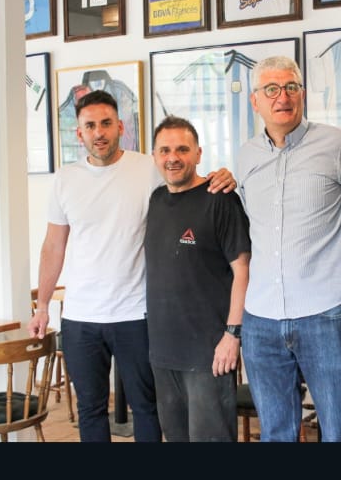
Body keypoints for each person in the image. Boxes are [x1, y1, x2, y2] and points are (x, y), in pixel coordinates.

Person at [28, 91, 235, 444]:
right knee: (91, 409)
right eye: (90, 126)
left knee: (146, 407)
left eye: (106, 123)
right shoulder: (65, 179)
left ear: (120, 127)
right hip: (81, 317)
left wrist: (224, 176)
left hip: (135, 314)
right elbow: (53, 246)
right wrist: (43, 305)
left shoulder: (147, 168)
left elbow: (187, 179)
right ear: (79, 133)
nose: (99, 132)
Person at [237, 55, 341, 442]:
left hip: (325, 312)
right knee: (276, 432)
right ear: (255, 101)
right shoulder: (245, 155)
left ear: (303, 94)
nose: (283, 97)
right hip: (261, 317)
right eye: (272, 89)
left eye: (291, 87)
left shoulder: (337, 144)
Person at [145, 118, 251, 441]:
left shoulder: (220, 198)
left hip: (209, 355)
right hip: (163, 353)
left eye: (182, 149)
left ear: (198, 153)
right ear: (154, 156)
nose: (173, 157)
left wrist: (233, 335)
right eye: (165, 150)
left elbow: (243, 270)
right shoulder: (156, 200)